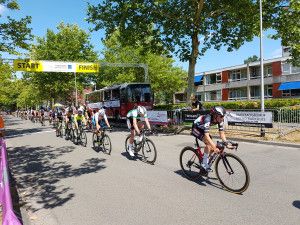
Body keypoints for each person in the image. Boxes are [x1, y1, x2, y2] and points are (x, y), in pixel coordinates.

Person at [191, 106, 229, 172]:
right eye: (221, 116)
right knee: (209, 143)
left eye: (223, 116)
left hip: (202, 129)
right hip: (196, 128)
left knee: (211, 146)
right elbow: (206, 136)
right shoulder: (207, 119)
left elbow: (222, 133)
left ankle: (204, 159)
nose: (223, 118)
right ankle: (204, 164)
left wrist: (226, 143)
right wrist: (215, 148)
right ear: (215, 115)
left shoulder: (219, 120)